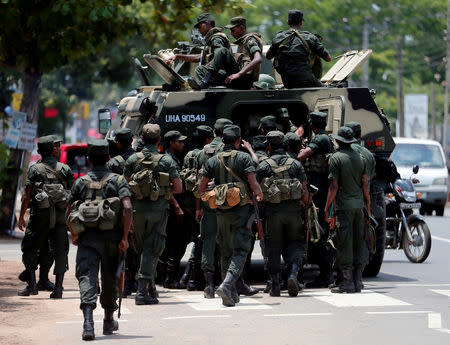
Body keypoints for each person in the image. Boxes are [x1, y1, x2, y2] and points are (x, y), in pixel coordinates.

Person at [67, 139, 132, 340]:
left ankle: (88, 324)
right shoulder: (118, 180)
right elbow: (128, 207)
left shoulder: (80, 182)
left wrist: (74, 233)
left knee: (87, 277)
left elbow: (68, 211)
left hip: (87, 238)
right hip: (113, 239)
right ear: (108, 158)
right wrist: (124, 237)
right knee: (111, 277)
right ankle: (108, 320)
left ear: (89, 160)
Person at [198, 125, 263, 307]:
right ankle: (227, 285)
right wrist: (259, 195)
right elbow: (253, 182)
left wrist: (213, 195)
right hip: (241, 212)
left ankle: (231, 293)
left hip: (220, 213)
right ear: (237, 141)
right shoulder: (243, 158)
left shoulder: (212, 160)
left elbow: (201, 188)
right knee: (241, 250)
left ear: (223, 141)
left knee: (225, 251)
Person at [123, 124, 182, 305]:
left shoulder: (132, 159)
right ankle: (142, 292)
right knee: (153, 248)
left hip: (137, 210)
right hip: (158, 210)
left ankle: (150, 287)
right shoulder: (166, 160)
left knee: (142, 249)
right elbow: (178, 188)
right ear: (158, 140)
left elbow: (125, 185)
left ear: (142, 139)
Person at [18, 135, 73, 298]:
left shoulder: (35, 169)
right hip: (60, 216)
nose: (59, 148)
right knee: (60, 249)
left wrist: (21, 217)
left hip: (40, 216)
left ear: (40, 151)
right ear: (52, 150)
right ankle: (58, 289)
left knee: (31, 247)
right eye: (56, 146)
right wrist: (69, 217)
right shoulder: (65, 169)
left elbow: (27, 195)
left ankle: (32, 286)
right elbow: (71, 194)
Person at [256, 131, 308, 297]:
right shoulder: (295, 164)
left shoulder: (263, 166)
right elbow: (305, 192)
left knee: (273, 247)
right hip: (293, 213)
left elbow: (257, 192)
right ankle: (293, 274)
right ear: (284, 145)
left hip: (273, 213)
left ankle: (276, 285)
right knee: (295, 243)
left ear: (269, 146)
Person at [324, 126, 370, 293]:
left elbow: (333, 186)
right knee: (359, 242)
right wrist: (368, 207)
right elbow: (365, 184)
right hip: (359, 206)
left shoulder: (336, 158)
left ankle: (347, 283)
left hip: (344, 207)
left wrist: (327, 207)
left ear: (338, 140)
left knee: (345, 244)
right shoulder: (360, 157)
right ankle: (357, 282)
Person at [195, 118, 232, 298]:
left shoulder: (203, 152)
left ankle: (208, 285)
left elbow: (197, 184)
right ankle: (227, 283)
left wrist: (198, 207)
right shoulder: (230, 151)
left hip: (207, 201)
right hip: (227, 202)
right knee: (227, 241)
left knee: (208, 242)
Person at [297, 111, 335, 288]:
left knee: (319, 230)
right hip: (318, 186)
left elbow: (301, 156)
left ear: (313, 125)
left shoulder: (321, 139)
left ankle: (326, 274)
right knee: (315, 229)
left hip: (320, 187)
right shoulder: (321, 137)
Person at [179, 125, 214, 291]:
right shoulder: (206, 154)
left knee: (198, 238)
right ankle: (193, 277)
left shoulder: (189, 154)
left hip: (191, 201)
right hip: (203, 200)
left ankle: (188, 276)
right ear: (208, 139)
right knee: (202, 240)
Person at [106, 128, 138, 298]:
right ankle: (136, 282)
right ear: (131, 140)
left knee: (121, 244)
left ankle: (123, 285)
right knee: (137, 246)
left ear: (117, 143)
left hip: (120, 208)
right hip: (138, 207)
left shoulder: (113, 163)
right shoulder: (139, 159)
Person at [266, 10, 331, 88]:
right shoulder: (310, 37)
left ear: (288, 22)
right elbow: (328, 58)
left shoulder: (279, 37)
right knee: (327, 90)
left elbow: (268, 56)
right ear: (301, 22)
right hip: (307, 80)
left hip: (288, 82)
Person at [169, 13, 232, 90]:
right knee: (198, 70)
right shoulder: (211, 39)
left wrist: (209, 65)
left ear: (207, 24)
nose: (198, 29)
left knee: (200, 69)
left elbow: (221, 54)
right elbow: (200, 57)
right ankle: (202, 86)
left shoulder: (217, 38)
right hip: (217, 72)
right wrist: (178, 56)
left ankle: (202, 87)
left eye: (199, 26)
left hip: (225, 74)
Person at [160, 130, 189, 289]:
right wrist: (177, 207)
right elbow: (167, 188)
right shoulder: (168, 160)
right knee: (176, 243)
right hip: (172, 207)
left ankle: (167, 276)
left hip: (171, 206)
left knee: (173, 242)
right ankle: (170, 278)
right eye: (179, 141)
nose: (182, 144)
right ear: (171, 143)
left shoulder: (173, 159)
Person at [223, 16, 263, 89]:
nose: (231, 33)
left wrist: (239, 74)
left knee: (222, 51)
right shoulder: (241, 43)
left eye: (233, 30)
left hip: (245, 79)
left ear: (241, 28)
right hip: (241, 78)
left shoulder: (250, 40)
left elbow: (258, 59)